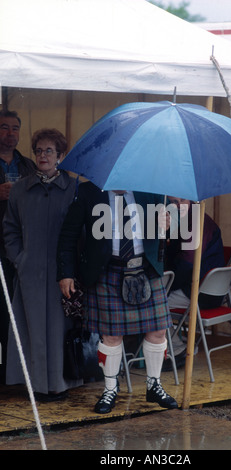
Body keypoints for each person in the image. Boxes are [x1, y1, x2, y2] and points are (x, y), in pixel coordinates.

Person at [57, 185, 179, 414]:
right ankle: (110, 389)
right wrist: (65, 273)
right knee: (111, 336)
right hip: (107, 270)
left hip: (146, 269)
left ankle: (154, 385)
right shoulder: (89, 193)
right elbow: (68, 235)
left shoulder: (151, 191)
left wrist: (169, 225)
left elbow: (171, 232)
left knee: (158, 331)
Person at [3, 128, 82, 401]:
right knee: (31, 328)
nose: (42, 155)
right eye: (38, 150)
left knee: (60, 328)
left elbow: (81, 232)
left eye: (49, 151)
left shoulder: (74, 189)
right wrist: (20, 259)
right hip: (31, 272)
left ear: (60, 155)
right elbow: (10, 230)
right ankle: (35, 385)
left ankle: (60, 383)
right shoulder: (20, 190)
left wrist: (72, 268)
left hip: (63, 274)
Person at [0, 110, 36, 384]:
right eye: (4, 127)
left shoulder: (26, 165)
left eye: (14, 128)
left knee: (14, 309)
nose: (10, 134)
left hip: (18, 246)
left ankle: (13, 371)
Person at [166, 197, 225, 310]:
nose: (179, 206)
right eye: (174, 202)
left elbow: (186, 265)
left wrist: (165, 287)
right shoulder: (185, 218)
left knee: (152, 305)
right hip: (203, 288)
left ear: (190, 200)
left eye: (182, 200)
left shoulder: (196, 221)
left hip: (200, 293)